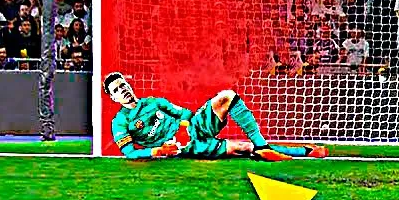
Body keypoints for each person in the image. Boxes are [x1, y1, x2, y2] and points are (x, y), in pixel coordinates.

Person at [103, 72, 328, 161]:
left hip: (193, 128)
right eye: (117, 90)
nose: (123, 90)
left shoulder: (154, 102)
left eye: (123, 85)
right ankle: (305, 151)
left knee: (226, 96)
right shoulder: (120, 122)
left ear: (129, 85)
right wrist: (157, 151)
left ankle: (262, 146)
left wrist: (184, 127)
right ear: (113, 98)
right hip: (185, 148)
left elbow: (184, 113)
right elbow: (130, 153)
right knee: (243, 147)